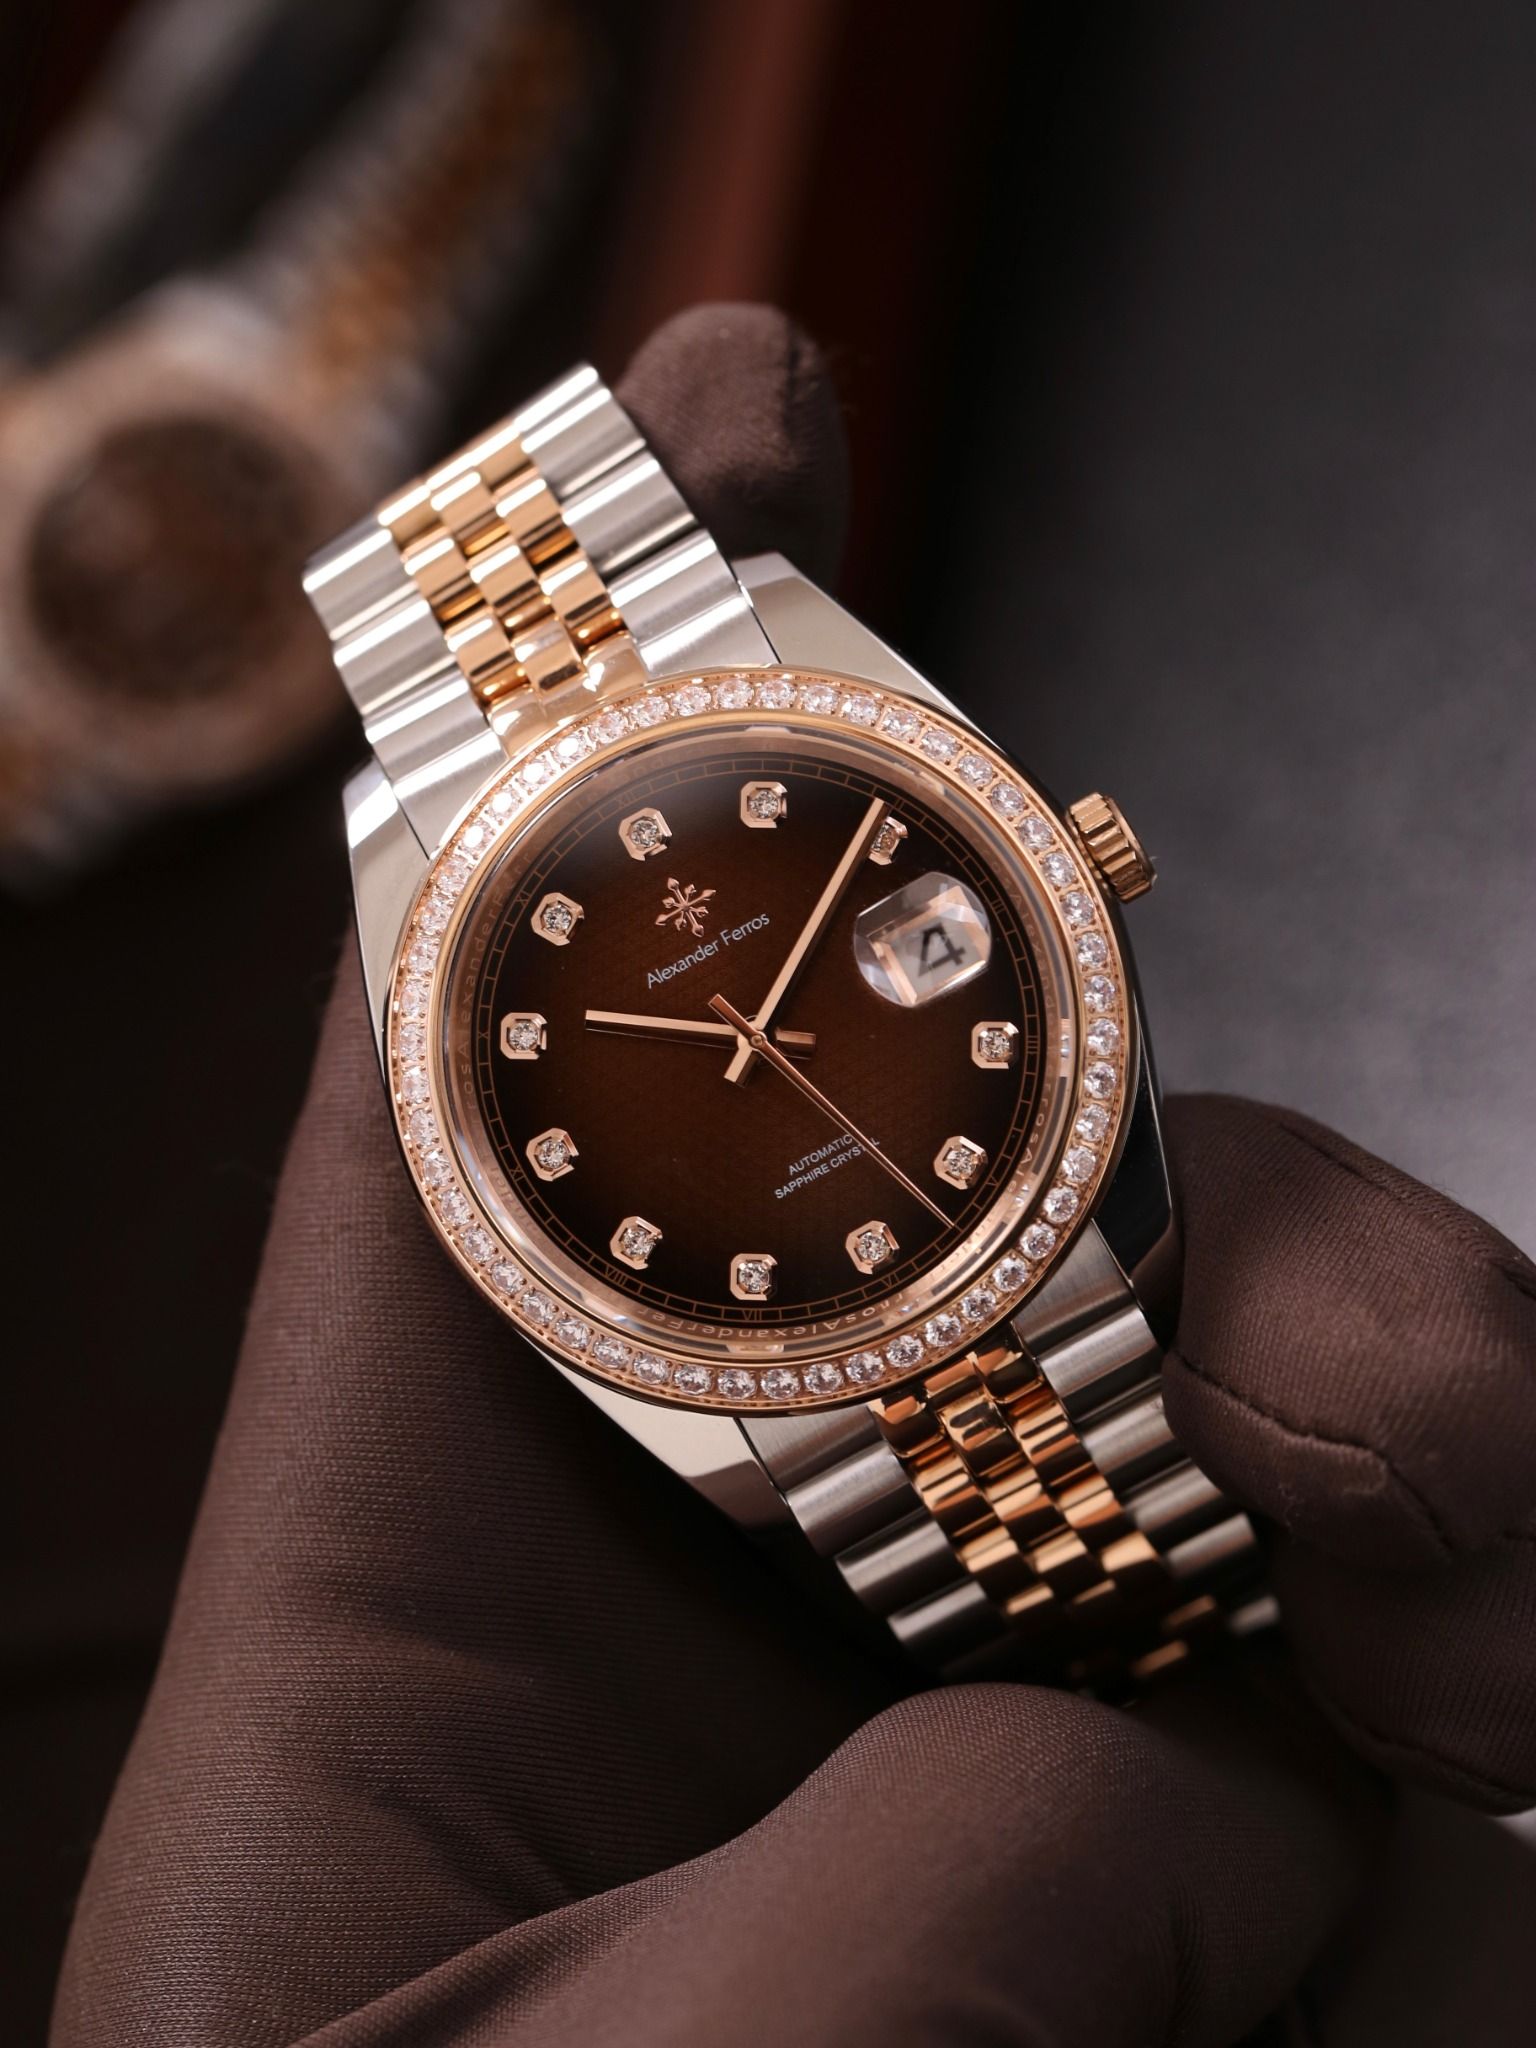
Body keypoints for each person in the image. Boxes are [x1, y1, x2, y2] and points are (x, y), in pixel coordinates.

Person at [50, 309, 1536, 2048]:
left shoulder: (716, 716)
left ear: (1073, 864)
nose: (745, 1038)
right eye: (714, 1039)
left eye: (757, 1017)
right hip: (815, 1389)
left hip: (983, 1263)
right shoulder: (432, 917)